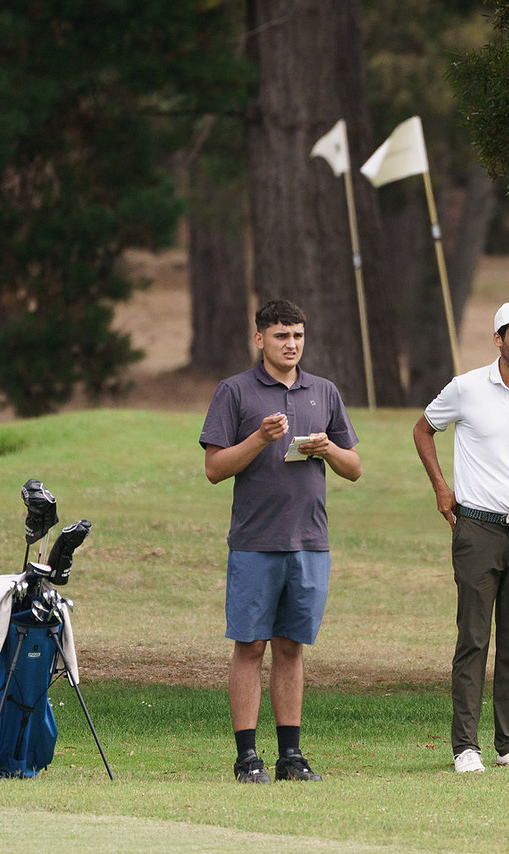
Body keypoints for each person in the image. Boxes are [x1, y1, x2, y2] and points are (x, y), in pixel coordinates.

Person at [199, 299, 362, 784]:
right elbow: (214, 469)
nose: (291, 345)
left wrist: (327, 448)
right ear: (260, 339)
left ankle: (291, 756)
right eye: (281, 336)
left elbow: (355, 467)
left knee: (291, 648)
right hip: (255, 541)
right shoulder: (234, 391)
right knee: (250, 646)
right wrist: (259, 439)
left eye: (298, 336)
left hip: (310, 542)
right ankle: (247, 757)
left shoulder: (324, 391)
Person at [412, 298, 509, 773]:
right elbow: (423, 430)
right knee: (473, 639)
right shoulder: (466, 388)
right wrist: (442, 489)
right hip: (477, 529)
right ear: (498, 339)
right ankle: (466, 747)